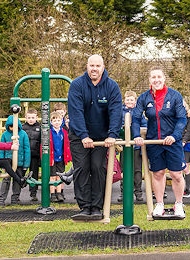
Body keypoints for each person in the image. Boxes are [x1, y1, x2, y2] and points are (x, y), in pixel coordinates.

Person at [67, 54, 122, 220]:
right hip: (79, 135)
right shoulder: (77, 85)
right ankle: (84, 207)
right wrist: (83, 135)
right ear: (87, 66)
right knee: (82, 168)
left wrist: (112, 134)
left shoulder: (111, 86)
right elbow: (75, 112)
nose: (94, 69)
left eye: (98, 66)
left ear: (103, 67)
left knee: (98, 168)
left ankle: (97, 207)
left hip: (101, 136)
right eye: (92, 66)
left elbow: (115, 112)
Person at [133, 68, 187, 218]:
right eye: (153, 77)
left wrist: (175, 136)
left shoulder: (175, 96)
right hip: (154, 140)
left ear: (164, 79)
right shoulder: (144, 98)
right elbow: (136, 118)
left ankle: (178, 204)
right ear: (149, 80)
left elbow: (182, 119)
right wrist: (137, 135)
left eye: (159, 77)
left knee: (176, 174)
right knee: (158, 173)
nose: (156, 80)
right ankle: (159, 204)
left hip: (172, 142)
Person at [118, 91, 146, 202]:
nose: (129, 102)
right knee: (124, 169)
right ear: (124, 100)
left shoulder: (138, 112)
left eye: (132, 100)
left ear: (135, 101)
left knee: (137, 170)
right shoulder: (120, 111)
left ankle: (138, 192)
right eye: (127, 99)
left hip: (136, 146)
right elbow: (116, 124)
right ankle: (124, 192)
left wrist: (137, 131)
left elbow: (144, 125)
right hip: (124, 145)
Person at [0, 115, 31, 206]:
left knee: (17, 180)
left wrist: (26, 165)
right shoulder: (5, 135)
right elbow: (1, 149)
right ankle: (2, 199)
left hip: (19, 163)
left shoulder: (23, 134)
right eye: (11, 126)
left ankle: (15, 198)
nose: (13, 128)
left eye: (15, 126)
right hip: (8, 163)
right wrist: (2, 162)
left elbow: (26, 149)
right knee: (6, 180)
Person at [47, 111, 71, 202]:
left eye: (58, 120)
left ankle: (59, 193)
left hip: (61, 157)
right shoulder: (49, 132)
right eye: (54, 120)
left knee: (60, 176)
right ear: (51, 122)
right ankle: (52, 194)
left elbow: (66, 144)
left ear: (61, 121)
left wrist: (67, 156)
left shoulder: (64, 132)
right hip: (53, 157)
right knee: (53, 176)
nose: (57, 122)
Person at [23, 108, 42, 201]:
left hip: (35, 155)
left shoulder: (40, 127)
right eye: (29, 117)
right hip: (25, 155)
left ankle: (33, 192)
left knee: (34, 174)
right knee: (21, 173)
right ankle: (17, 193)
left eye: (33, 117)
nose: (31, 119)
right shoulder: (22, 128)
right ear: (25, 118)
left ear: (36, 117)